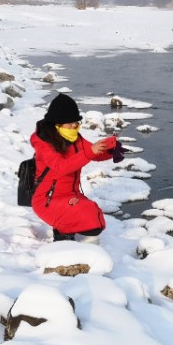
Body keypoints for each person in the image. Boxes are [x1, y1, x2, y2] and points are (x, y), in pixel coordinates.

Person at [30, 93, 122, 241]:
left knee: (94, 216)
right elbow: (61, 167)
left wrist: (111, 149)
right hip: (47, 200)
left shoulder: (73, 137)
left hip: (71, 195)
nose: (74, 126)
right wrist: (89, 153)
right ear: (57, 123)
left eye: (76, 122)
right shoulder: (44, 143)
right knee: (89, 218)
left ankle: (64, 231)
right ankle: (62, 238)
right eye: (70, 123)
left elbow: (93, 152)